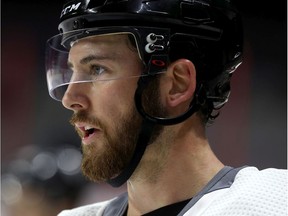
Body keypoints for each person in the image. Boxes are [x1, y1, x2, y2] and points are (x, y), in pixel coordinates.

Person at [45, 0, 287, 215]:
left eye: (97, 69)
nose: (69, 98)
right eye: (72, 70)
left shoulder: (271, 203)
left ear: (177, 84)